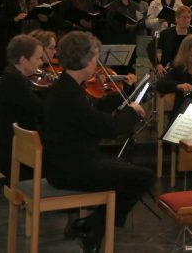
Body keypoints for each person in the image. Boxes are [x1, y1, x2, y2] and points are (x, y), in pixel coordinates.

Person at [43, 31, 152, 252]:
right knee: (144, 177)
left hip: (68, 162)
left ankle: (92, 228)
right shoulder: (70, 94)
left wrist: (121, 102)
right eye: (95, 57)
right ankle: (92, 226)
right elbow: (109, 129)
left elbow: (90, 115)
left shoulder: (67, 86)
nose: (97, 62)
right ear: (85, 60)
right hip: (73, 170)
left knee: (129, 171)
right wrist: (131, 113)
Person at [0, 35, 45, 179]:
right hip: (15, 155)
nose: (41, 63)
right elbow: (41, 110)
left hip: (18, 148)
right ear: (23, 60)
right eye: (38, 58)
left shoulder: (14, 76)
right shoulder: (14, 82)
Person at [0, 0, 43, 73]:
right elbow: (1, 20)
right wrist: (15, 18)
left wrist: (43, 18)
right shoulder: (10, 0)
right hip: (17, 34)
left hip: (35, 34)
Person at [149, 5, 192, 76]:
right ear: (177, 19)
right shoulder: (165, 34)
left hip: (187, 72)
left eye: (189, 17)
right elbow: (150, 47)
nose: (187, 20)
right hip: (168, 72)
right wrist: (157, 64)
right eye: (184, 17)